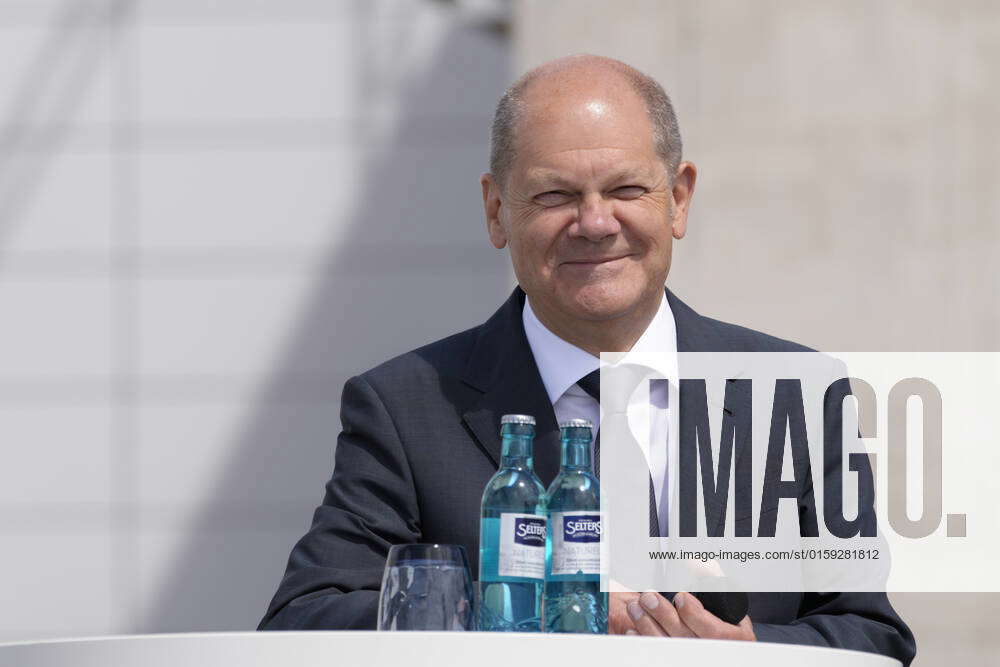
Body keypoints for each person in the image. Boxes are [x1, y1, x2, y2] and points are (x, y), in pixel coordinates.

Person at [257, 54, 915, 664]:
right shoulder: (406, 407)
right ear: (495, 211)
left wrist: (745, 649)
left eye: (627, 189)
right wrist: (533, 622)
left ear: (679, 199)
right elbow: (305, 621)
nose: (595, 222)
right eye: (554, 195)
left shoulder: (797, 393)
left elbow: (871, 634)